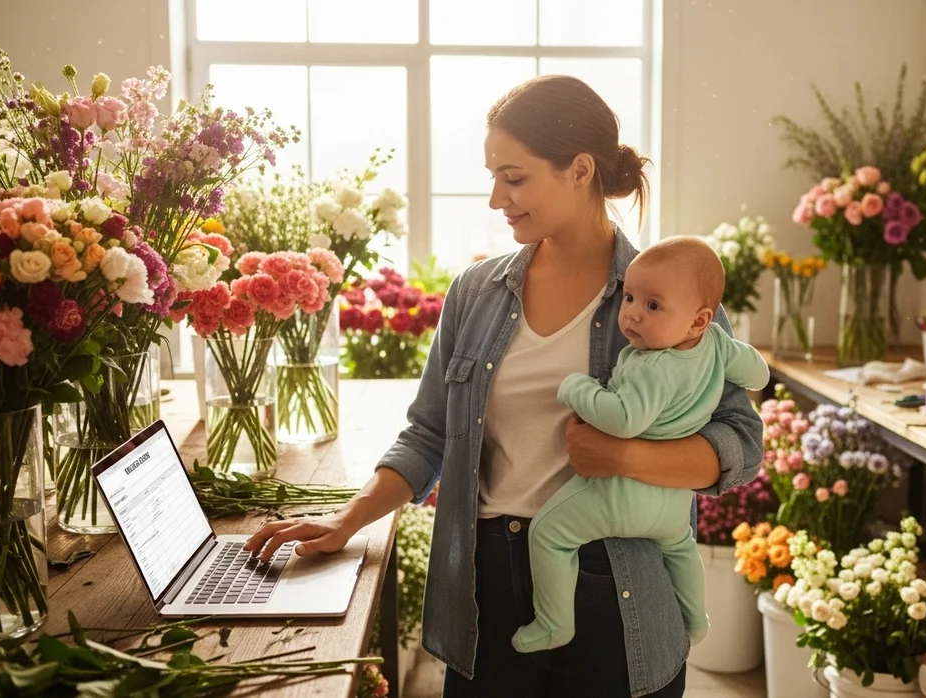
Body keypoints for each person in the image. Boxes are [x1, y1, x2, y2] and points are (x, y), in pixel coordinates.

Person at [244, 74, 764, 698]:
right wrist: (346, 520)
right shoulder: (476, 293)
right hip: (486, 585)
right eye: (493, 176)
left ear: (579, 169)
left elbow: (741, 444)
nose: (496, 198)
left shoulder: (668, 294)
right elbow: (430, 433)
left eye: (513, 178)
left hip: (615, 588)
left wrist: (629, 455)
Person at [512, 236, 770, 654]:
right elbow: (757, 372)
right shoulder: (718, 346)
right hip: (670, 504)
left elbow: (625, 419)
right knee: (682, 548)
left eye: (653, 306)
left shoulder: (651, 368)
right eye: (630, 297)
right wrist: (739, 359)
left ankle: (554, 623)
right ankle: (697, 619)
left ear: (699, 320)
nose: (631, 314)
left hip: (622, 498)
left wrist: (577, 389)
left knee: (550, 533)